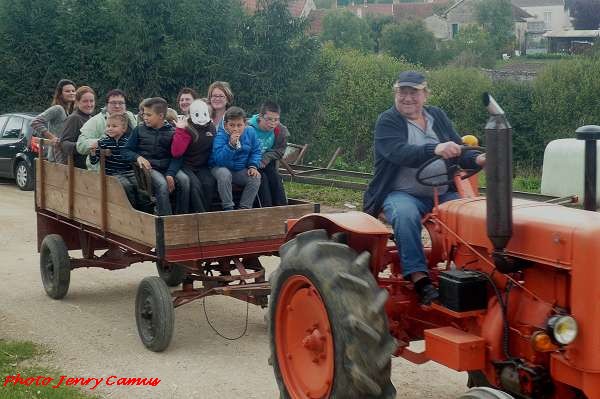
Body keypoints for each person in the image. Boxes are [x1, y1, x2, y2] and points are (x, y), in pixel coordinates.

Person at [363, 71, 485, 305]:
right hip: (402, 193)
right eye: (402, 92)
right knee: (405, 214)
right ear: (395, 94)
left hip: (442, 191)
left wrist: (478, 159)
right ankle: (419, 278)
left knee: (473, 215)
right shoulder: (387, 121)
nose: (407, 98)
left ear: (425, 95)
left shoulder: (437, 116)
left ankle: (472, 272)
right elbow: (399, 153)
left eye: (414, 93)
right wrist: (435, 149)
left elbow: (458, 150)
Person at [121, 97, 189, 216]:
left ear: (161, 116)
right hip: (150, 168)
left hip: (168, 167)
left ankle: (181, 216)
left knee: (184, 180)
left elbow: (177, 156)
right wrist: (138, 157)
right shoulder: (139, 130)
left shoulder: (172, 132)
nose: (145, 117)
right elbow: (125, 150)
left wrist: (171, 174)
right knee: (162, 184)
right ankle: (165, 220)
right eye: (144, 114)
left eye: (148, 114)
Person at [89, 113, 152, 212]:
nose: (110, 128)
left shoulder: (128, 141)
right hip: (112, 173)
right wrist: (93, 152)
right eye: (108, 126)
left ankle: (146, 210)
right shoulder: (103, 142)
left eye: (114, 126)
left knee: (139, 186)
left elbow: (135, 154)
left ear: (123, 128)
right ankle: (132, 209)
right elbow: (94, 161)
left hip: (129, 171)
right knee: (126, 186)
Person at [210, 106, 261, 211]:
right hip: (219, 167)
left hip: (239, 169)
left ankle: (244, 208)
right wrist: (230, 146)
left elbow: (256, 150)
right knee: (224, 174)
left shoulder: (250, 132)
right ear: (226, 125)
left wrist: (253, 166)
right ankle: (228, 208)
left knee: (255, 177)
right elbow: (219, 160)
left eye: (239, 125)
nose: (235, 129)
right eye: (232, 125)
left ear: (245, 124)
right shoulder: (221, 135)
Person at [172, 99, 216, 212]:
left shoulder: (211, 127)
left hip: (202, 166)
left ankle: (206, 214)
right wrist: (180, 131)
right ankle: (199, 216)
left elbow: (215, 147)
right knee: (194, 185)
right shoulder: (187, 127)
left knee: (209, 183)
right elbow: (176, 152)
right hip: (186, 165)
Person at [76, 89, 138, 170]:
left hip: (131, 169)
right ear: (106, 105)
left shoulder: (131, 117)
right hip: (104, 173)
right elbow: (80, 145)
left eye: (121, 103)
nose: (117, 106)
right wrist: (102, 144)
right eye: (113, 103)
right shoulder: (95, 121)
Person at [247, 101, 288, 206]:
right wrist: (254, 163)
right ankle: (266, 208)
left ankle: (282, 209)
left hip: (266, 162)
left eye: (276, 120)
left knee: (276, 177)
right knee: (262, 179)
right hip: (249, 164)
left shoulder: (280, 130)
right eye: (269, 119)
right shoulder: (248, 128)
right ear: (261, 116)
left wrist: (266, 158)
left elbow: (280, 151)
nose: (273, 123)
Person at [30, 79, 76, 162]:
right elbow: (35, 122)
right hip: (56, 158)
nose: (71, 93)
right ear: (60, 94)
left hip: (66, 156)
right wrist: (52, 137)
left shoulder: (70, 112)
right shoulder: (58, 109)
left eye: (73, 91)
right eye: (67, 91)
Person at [57, 86, 96, 168]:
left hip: (91, 166)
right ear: (77, 102)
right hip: (78, 169)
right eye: (85, 101)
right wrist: (84, 146)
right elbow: (64, 144)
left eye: (91, 101)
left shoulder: (92, 118)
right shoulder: (74, 118)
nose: (89, 104)